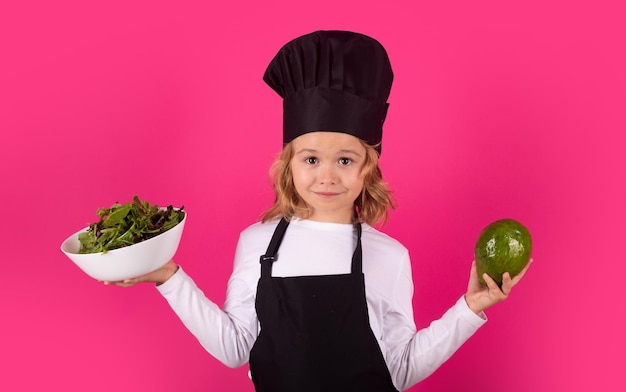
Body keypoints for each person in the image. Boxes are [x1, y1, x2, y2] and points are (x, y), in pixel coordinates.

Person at [109, 30, 532, 391]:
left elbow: (400, 370)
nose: (327, 176)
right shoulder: (257, 243)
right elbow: (235, 349)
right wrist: (169, 278)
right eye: (311, 160)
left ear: (369, 169)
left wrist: (470, 307)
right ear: (288, 166)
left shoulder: (389, 256)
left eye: (345, 160)